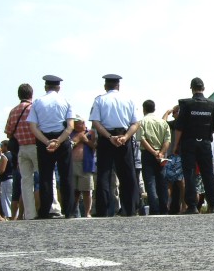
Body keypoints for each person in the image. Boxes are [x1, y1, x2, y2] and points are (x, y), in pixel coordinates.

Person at [90, 74, 140, 217]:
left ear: (105, 86)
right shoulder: (129, 100)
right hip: (124, 136)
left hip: (107, 137)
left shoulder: (99, 100)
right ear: (118, 86)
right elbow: (136, 123)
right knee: (127, 174)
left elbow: (96, 122)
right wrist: (125, 137)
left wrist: (109, 137)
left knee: (104, 175)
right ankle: (129, 209)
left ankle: (104, 210)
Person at [27, 75, 75, 219]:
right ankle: (69, 210)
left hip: (44, 139)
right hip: (62, 139)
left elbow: (33, 127)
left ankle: (45, 210)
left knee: (45, 177)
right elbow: (70, 126)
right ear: (58, 87)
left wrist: (47, 142)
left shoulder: (37, 102)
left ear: (45, 87)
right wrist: (58, 141)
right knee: (66, 176)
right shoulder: (66, 101)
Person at [172, 77, 214, 214]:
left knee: (190, 174)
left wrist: (176, 145)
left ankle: (192, 206)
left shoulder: (186, 104)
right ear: (203, 88)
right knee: (208, 174)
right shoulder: (213, 105)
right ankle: (213, 205)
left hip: (188, 143)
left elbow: (179, 127)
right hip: (205, 143)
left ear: (191, 89)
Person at [5, 83, 37, 220]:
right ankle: (44, 208)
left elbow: (8, 132)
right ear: (31, 94)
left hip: (21, 148)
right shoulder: (34, 108)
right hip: (35, 146)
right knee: (41, 179)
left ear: (19, 95)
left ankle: (29, 213)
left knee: (26, 181)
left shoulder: (13, 111)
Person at [137, 100, 172, 215]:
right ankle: (164, 208)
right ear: (154, 108)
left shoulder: (141, 122)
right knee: (162, 182)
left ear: (144, 109)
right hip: (162, 154)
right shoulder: (163, 123)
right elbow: (167, 140)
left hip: (147, 154)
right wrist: (161, 153)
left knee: (150, 183)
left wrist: (153, 152)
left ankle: (154, 209)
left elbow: (142, 139)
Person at [71, 115, 96, 217]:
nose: (76, 125)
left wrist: (85, 140)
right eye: (75, 123)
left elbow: (95, 146)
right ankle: (73, 212)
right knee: (74, 191)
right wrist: (78, 138)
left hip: (86, 164)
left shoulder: (90, 132)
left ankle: (87, 212)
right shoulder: (70, 133)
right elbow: (69, 145)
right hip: (73, 164)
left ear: (83, 123)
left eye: (78, 123)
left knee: (87, 190)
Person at [0, 140, 14, 219]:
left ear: (6, 146)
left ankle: (8, 215)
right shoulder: (13, 155)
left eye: (2, 146)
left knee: (6, 198)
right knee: (12, 197)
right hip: (13, 178)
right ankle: (14, 214)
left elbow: (1, 170)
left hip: (6, 179)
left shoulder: (4, 156)